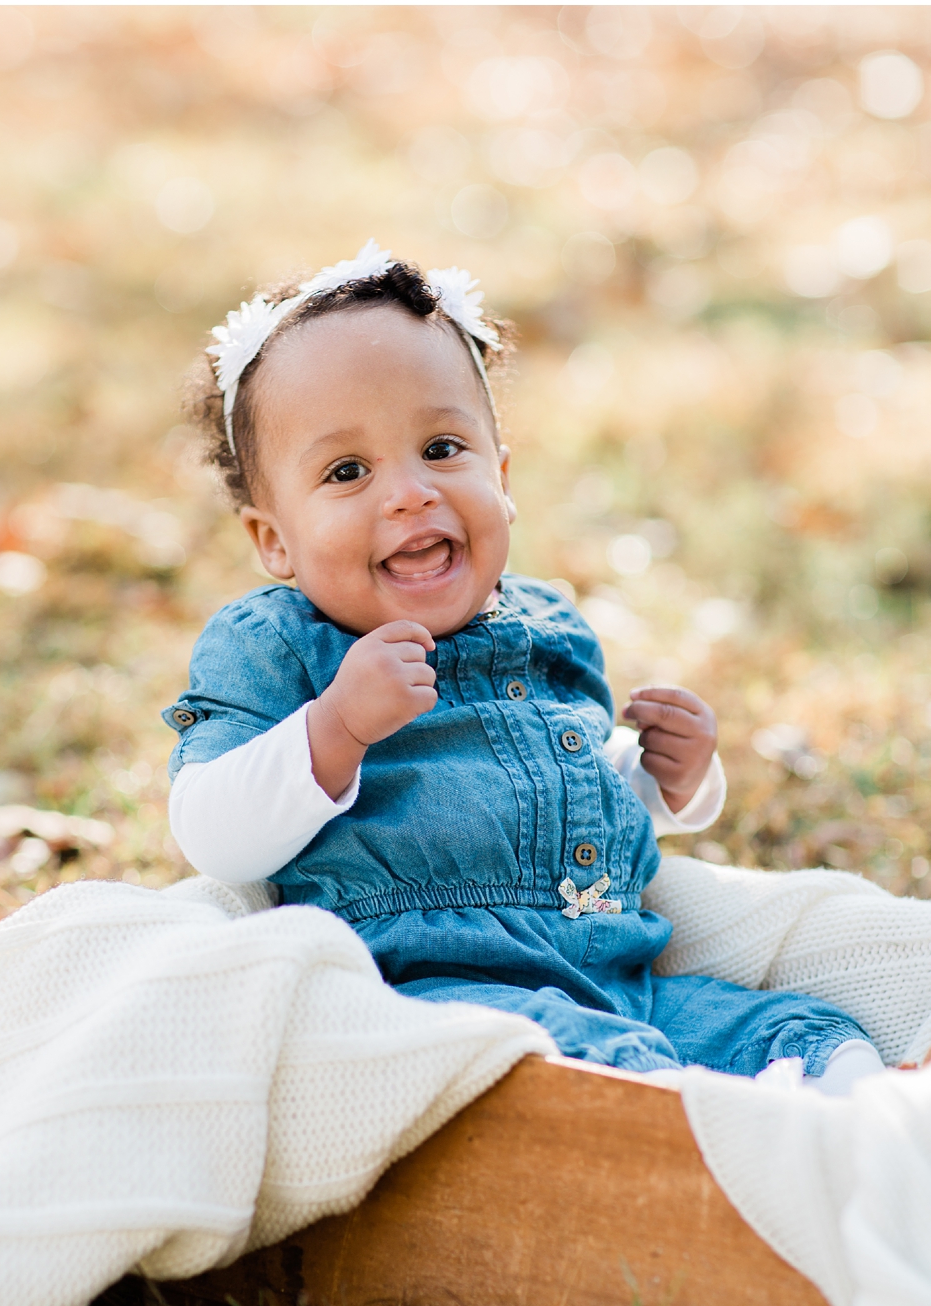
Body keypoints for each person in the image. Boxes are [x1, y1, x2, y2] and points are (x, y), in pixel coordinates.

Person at [163, 242, 884, 1094]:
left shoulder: (546, 622)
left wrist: (662, 779)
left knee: (801, 1035)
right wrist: (335, 730)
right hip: (436, 996)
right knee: (603, 1066)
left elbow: (556, 778)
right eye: (347, 471)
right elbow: (209, 832)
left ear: (500, 479)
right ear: (273, 538)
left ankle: (864, 1133)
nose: (409, 493)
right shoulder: (279, 647)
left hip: (618, 979)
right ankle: (714, 1144)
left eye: (441, 448)